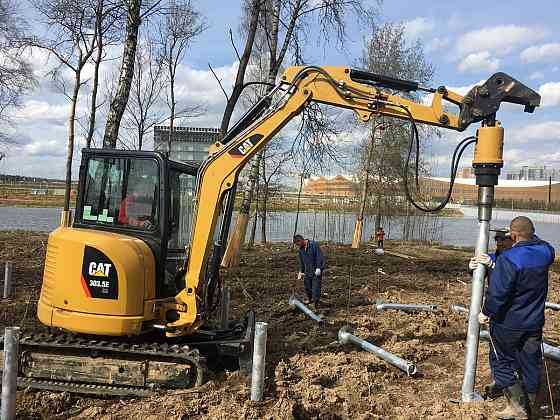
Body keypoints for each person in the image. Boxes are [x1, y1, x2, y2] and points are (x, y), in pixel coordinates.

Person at [472, 216, 554, 419]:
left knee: (501, 361)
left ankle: (518, 408)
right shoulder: (547, 252)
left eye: (506, 236)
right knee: (530, 363)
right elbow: (539, 244)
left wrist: (486, 312)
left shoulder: (509, 259)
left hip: (508, 323)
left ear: (514, 235)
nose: (501, 241)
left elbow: (498, 293)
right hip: (534, 322)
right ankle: (531, 404)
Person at [294, 234, 325, 308]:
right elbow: (301, 261)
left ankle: (316, 303)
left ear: (301, 240)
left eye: (298, 244)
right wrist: (301, 271)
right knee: (307, 287)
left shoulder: (313, 245)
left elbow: (319, 257)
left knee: (315, 288)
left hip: (315, 271)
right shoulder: (301, 249)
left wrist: (319, 268)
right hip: (307, 271)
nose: (298, 246)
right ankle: (310, 299)